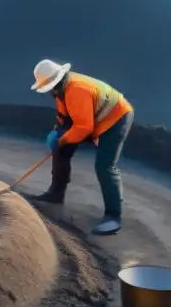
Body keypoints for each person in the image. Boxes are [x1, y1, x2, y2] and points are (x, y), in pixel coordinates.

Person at [27, 59, 134, 236]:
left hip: (116, 119)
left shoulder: (77, 90)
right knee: (61, 149)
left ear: (56, 82)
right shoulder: (61, 91)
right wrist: (58, 133)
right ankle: (56, 194)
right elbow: (65, 118)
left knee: (105, 166)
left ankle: (113, 216)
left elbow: (84, 127)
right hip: (94, 118)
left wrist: (61, 140)